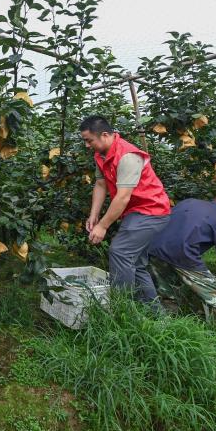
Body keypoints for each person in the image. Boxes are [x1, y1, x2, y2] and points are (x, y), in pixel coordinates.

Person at [81, 116, 172, 302]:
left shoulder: (127, 156)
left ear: (104, 135)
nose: (87, 145)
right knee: (135, 263)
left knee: (120, 252)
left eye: (89, 140)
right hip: (135, 212)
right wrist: (94, 215)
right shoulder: (101, 154)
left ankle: (121, 307)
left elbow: (122, 197)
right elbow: (100, 184)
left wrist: (103, 226)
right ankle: (153, 312)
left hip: (151, 210)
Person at [146, 192, 216, 311]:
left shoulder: (188, 202)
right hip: (183, 253)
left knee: (166, 291)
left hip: (154, 247)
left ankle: (166, 319)